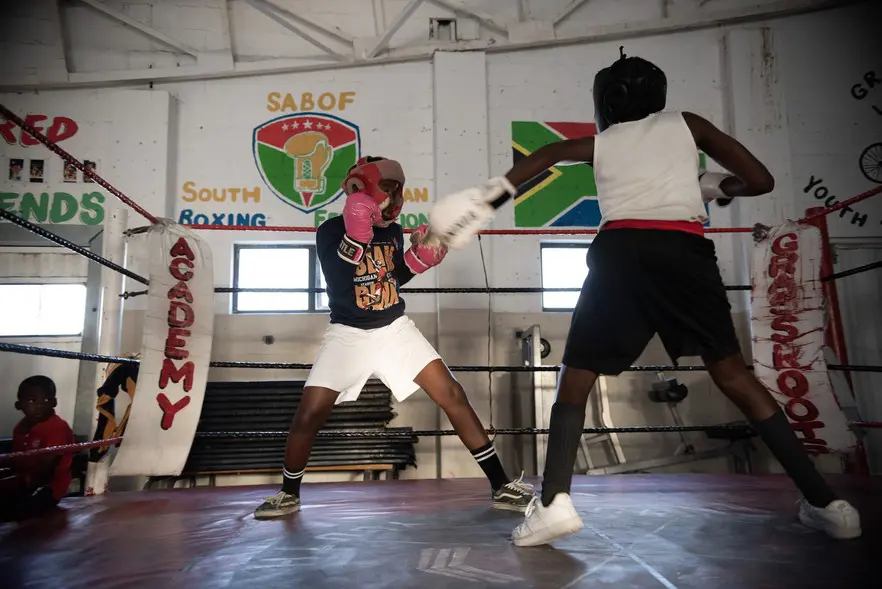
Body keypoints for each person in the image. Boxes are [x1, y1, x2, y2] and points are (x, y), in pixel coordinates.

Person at [426, 49, 861, 545]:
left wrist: (485, 199)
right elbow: (762, 181)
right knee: (734, 375)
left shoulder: (604, 141)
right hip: (685, 250)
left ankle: (554, 506)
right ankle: (829, 505)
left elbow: (545, 156)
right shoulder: (688, 124)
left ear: (606, 99)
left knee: (577, 377)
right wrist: (719, 186)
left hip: (622, 251)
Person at [254, 156, 534, 519]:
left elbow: (392, 277)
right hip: (347, 334)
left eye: (394, 191)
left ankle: (501, 485)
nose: (390, 198)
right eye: (385, 190)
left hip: (394, 328)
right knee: (309, 414)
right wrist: (356, 232)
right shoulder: (329, 230)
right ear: (361, 190)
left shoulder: (392, 231)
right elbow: (342, 276)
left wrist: (420, 258)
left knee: (452, 394)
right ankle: (288, 494)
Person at [1, 375, 75, 521]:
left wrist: (16, 483)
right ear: (19, 405)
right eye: (32, 401)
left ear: (54, 402)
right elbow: (16, 460)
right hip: (25, 480)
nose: (40, 406)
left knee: (14, 509)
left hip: (49, 487)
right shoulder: (20, 428)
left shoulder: (56, 427)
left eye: (46, 400)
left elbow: (46, 471)